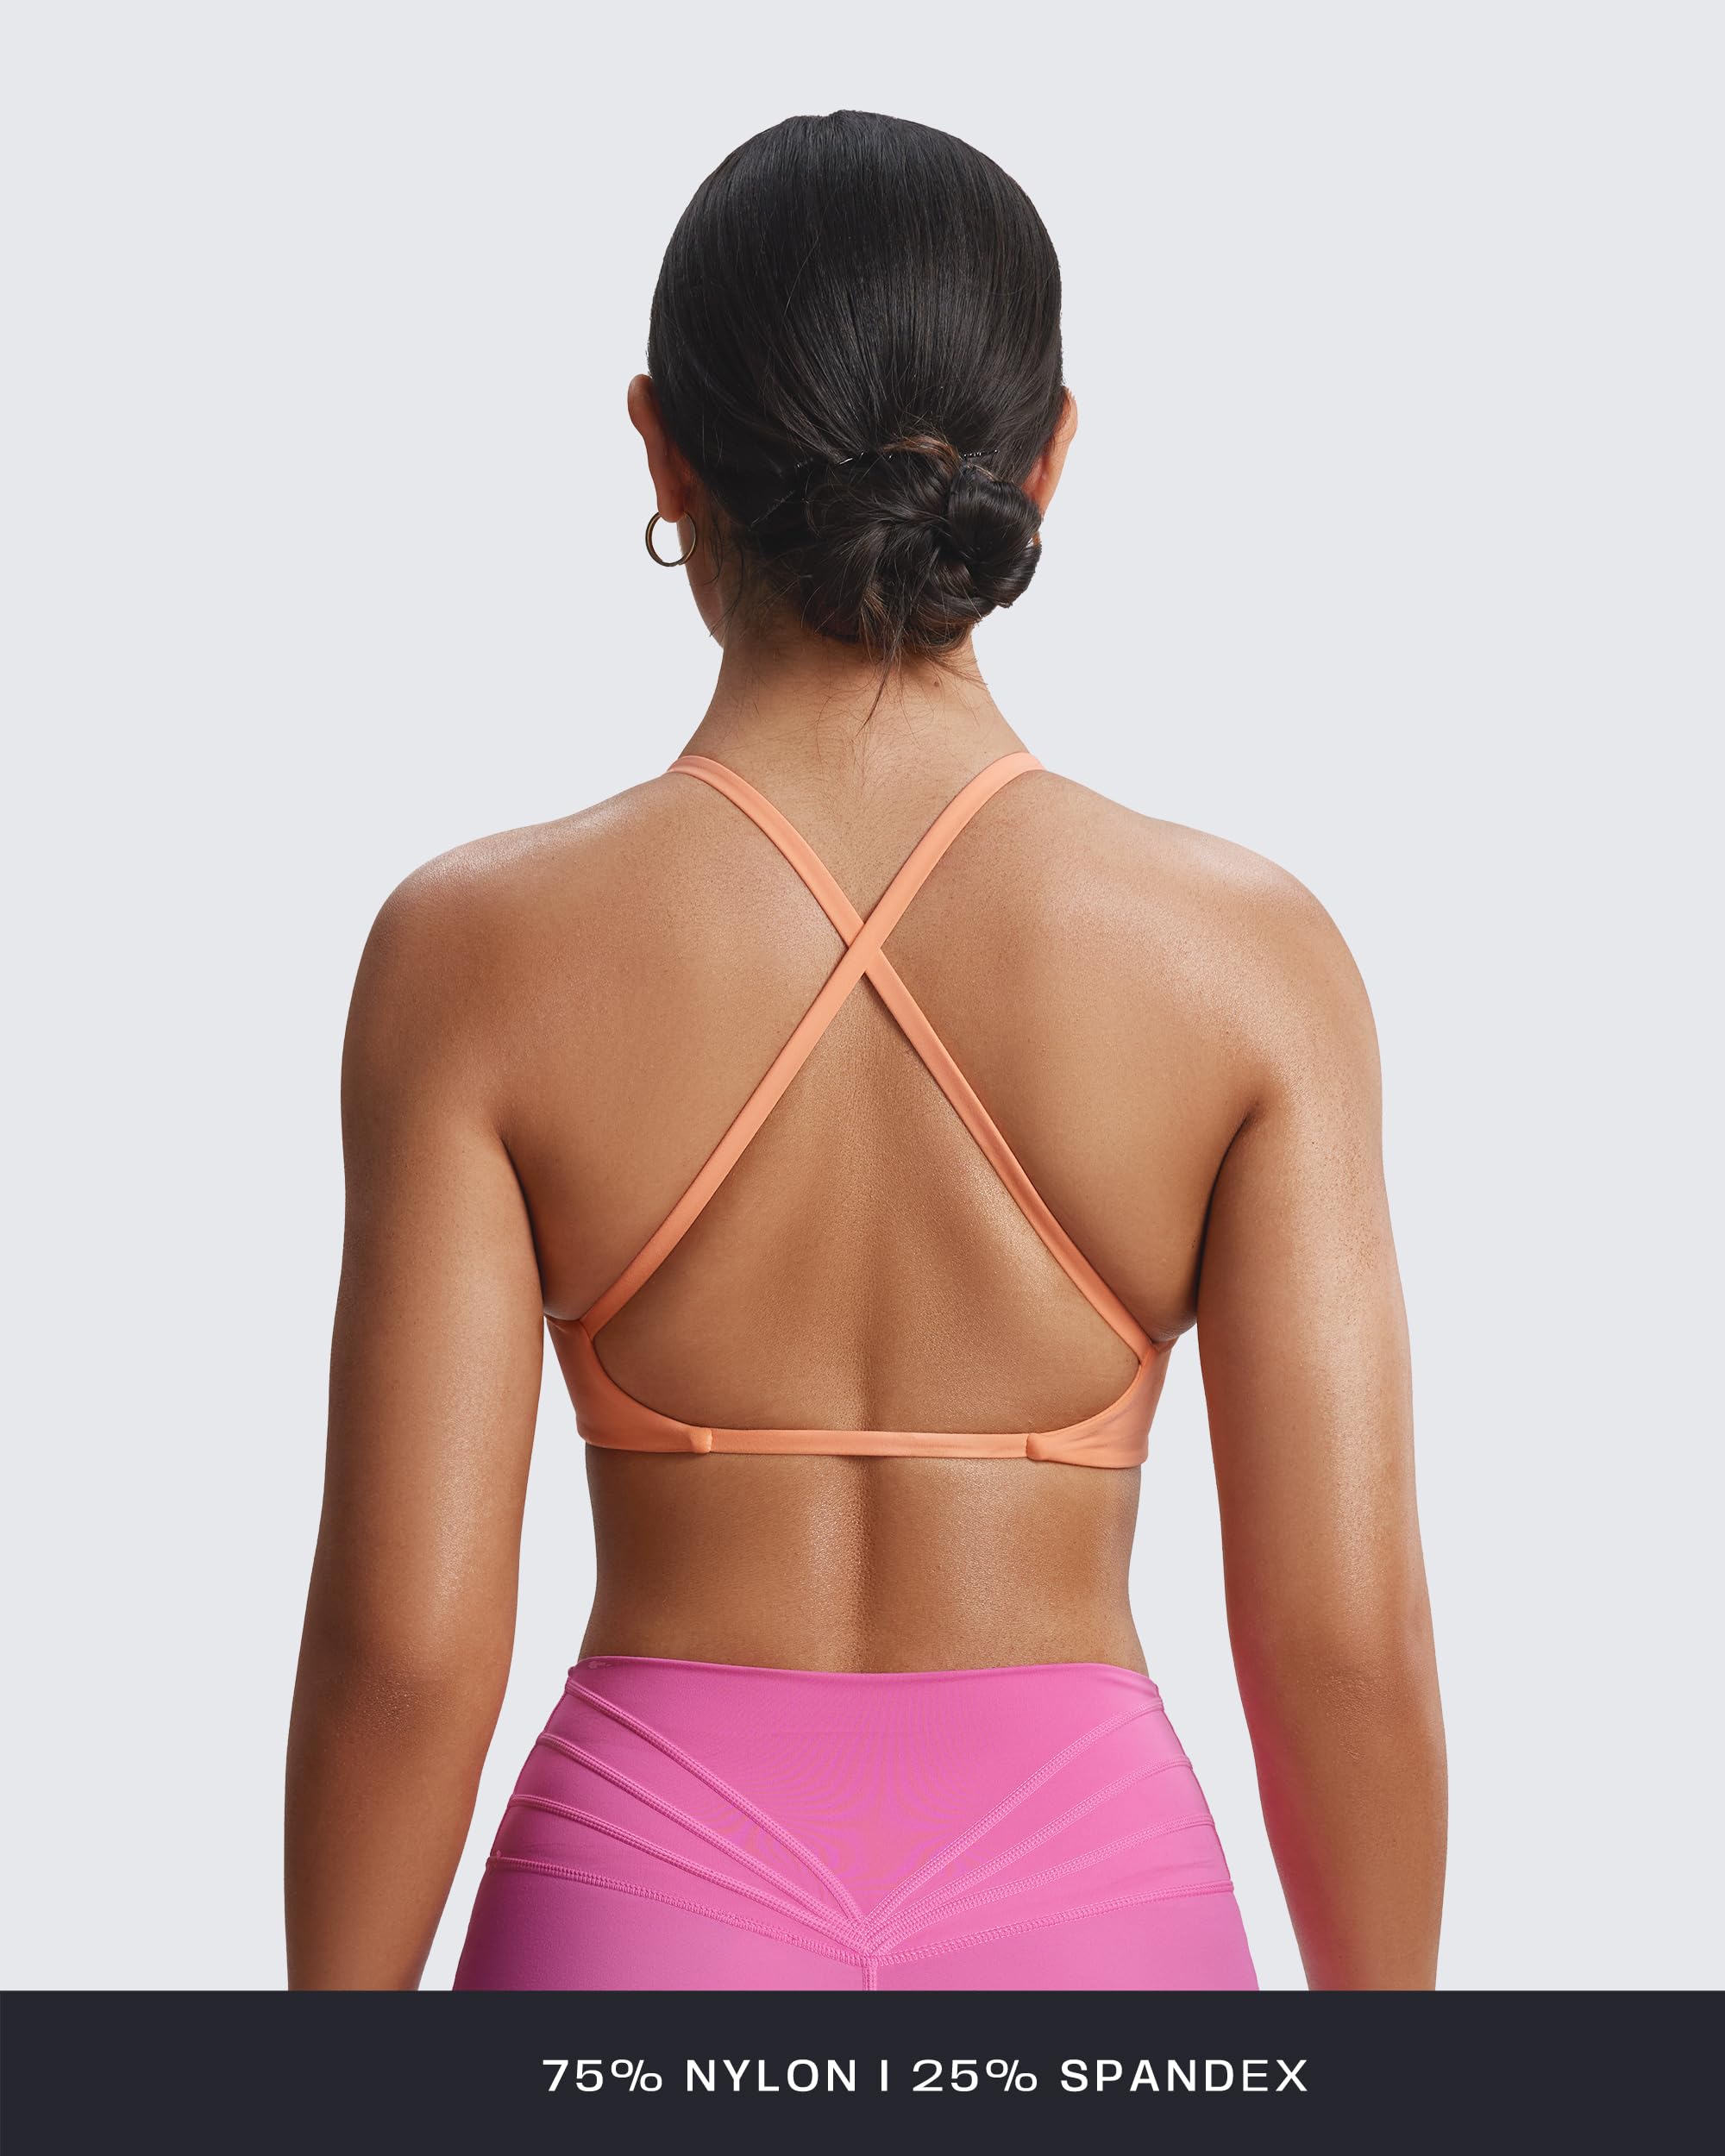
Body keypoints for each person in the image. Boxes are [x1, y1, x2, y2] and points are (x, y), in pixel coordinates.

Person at [285, 110, 1446, 1991]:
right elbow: (1344, 1646)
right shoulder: (1249, 962)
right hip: (1097, 1914)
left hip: (632, 1907)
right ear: (1047, 457)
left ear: (663, 447)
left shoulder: (475, 953)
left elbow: (404, 1654)